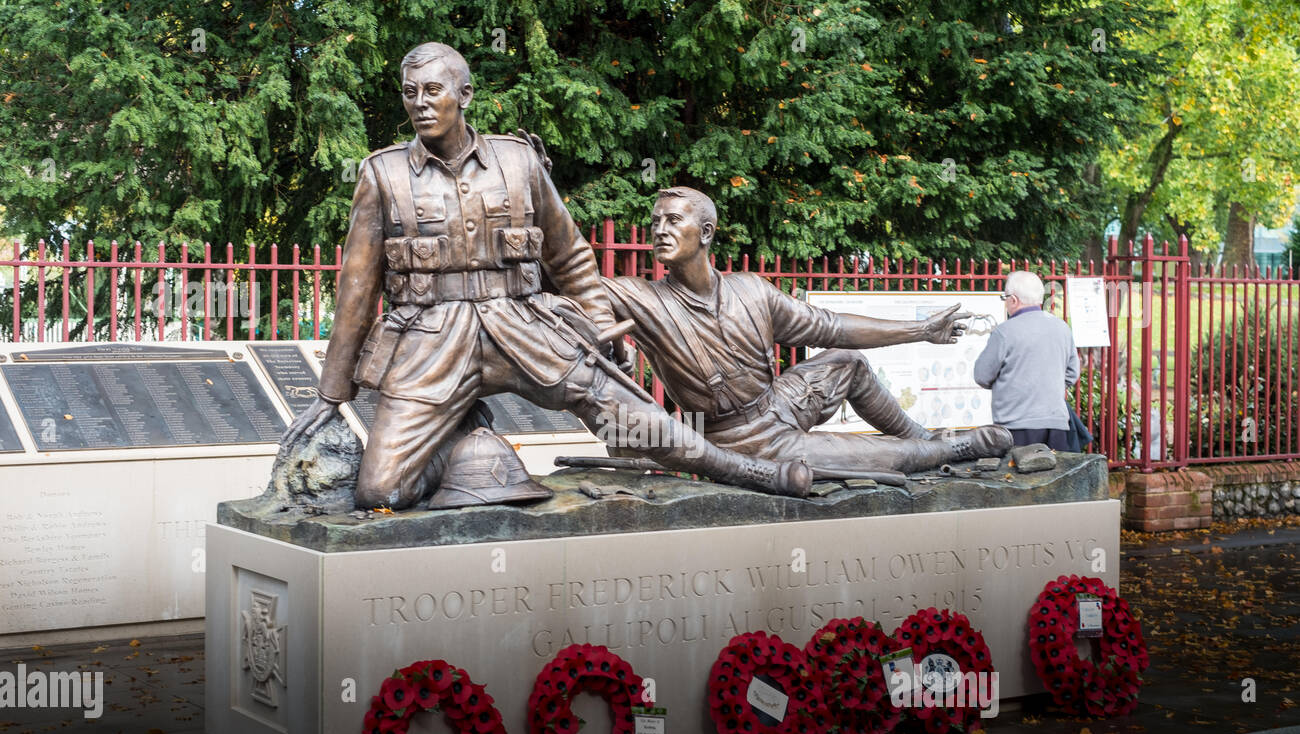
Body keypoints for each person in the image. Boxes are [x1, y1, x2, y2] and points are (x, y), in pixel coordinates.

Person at [281, 43, 810, 505]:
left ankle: (749, 471)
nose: (419, 103)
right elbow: (356, 289)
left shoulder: (518, 162)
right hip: (429, 343)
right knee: (382, 492)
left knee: (626, 415)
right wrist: (332, 391)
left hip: (523, 327)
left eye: (433, 90)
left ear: (464, 96)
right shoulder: (383, 173)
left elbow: (570, 256)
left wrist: (602, 330)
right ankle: (461, 442)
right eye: (409, 92)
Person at [601, 187, 1013, 474]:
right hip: (738, 438)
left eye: (673, 220)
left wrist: (921, 329)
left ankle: (922, 438)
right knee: (882, 456)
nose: (659, 230)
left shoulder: (752, 290)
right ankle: (946, 450)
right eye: (655, 222)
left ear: (706, 233)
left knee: (847, 362)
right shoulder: (642, 297)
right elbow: (577, 288)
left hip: (778, 403)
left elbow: (830, 326)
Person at [972, 271, 1080, 451]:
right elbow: (1072, 373)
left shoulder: (1005, 332)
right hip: (1056, 422)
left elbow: (982, 375)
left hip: (1015, 423)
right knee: (1057, 475)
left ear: (1013, 300)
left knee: (1019, 477)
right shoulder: (1061, 328)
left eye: (1005, 298)